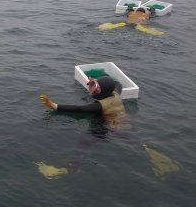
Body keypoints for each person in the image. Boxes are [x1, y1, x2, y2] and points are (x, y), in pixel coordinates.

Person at [37, 76, 179, 179]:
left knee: (84, 142)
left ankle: (72, 167)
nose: (93, 89)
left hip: (111, 128)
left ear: (103, 92)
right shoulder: (116, 93)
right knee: (135, 142)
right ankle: (152, 153)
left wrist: (55, 106)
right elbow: (117, 83)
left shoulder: (99, 105)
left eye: (96, 88)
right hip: (125, 124)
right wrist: (97, 82)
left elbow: (79, 109)